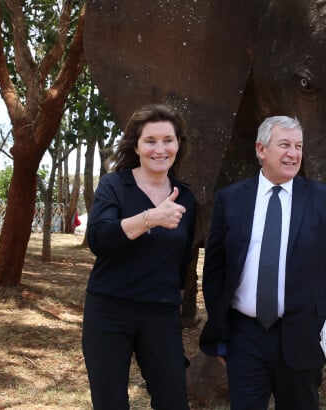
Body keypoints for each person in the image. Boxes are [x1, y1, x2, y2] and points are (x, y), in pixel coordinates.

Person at [199, 115, 326, 409]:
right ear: (261, 149)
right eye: (284, 145)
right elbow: (215, 272)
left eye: (298, 146)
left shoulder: (323, 200)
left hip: (303, 333)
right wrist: (221, 327)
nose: (293, 153)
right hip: (244, 335)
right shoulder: (230, 199)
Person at [82, 104, 196, 409]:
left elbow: (182, 260)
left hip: (161, 315)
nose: (160, 149)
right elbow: (99, 239)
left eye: (168, 140)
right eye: (150, 141)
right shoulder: (115, 185)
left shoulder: (186, 197)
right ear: (136, 145)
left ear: (178, 144)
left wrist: (178, 305)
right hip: (109, 310)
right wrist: (150, 218)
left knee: (173, 401)